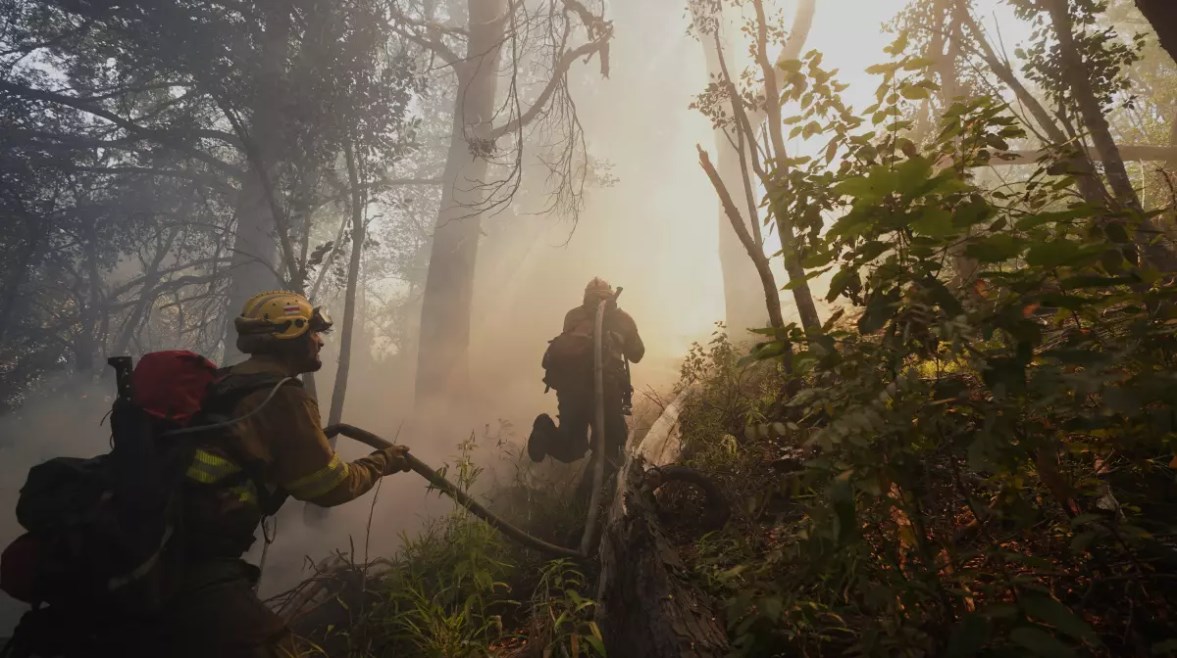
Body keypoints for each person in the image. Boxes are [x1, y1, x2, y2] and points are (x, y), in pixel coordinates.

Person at [528, 278, 644, 469]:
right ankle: (591, 488)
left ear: (586, 296)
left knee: (570, 449)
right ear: (610, 295)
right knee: (609, 450)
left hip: (571, 390)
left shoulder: (573, 316)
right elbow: (637, 355)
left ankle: (545, 431)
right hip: (607, 391)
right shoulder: (623, 319)